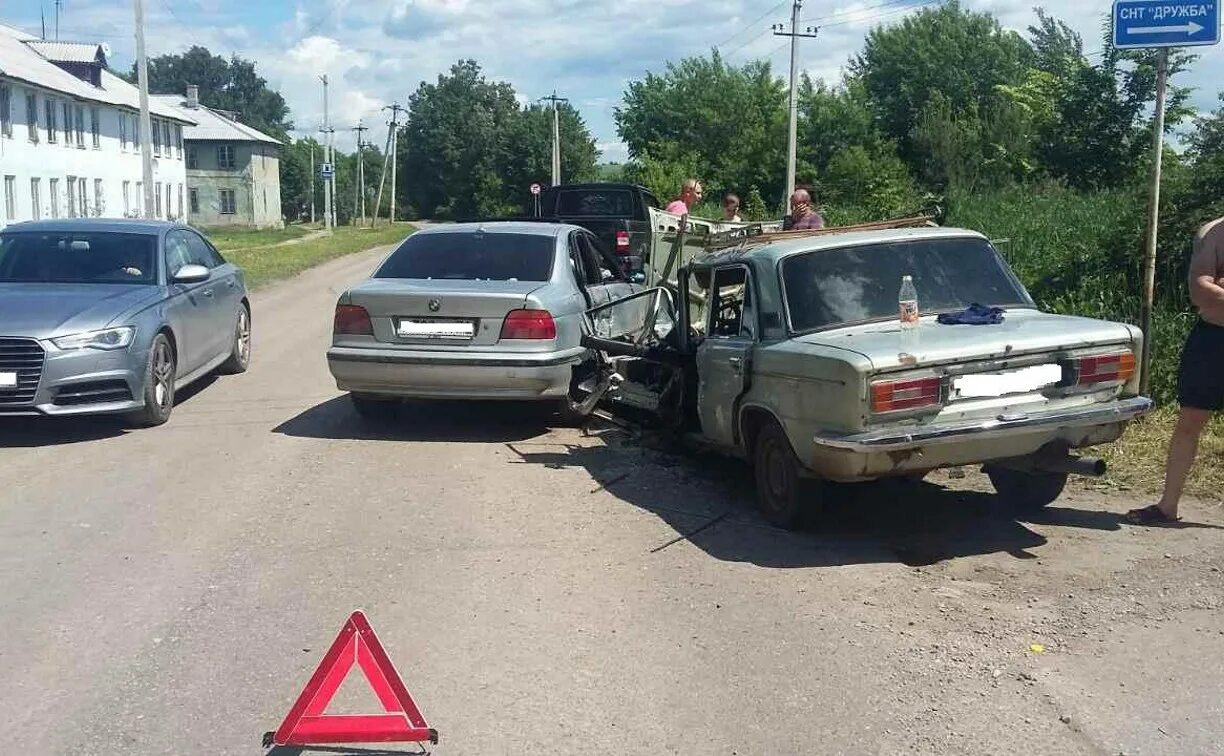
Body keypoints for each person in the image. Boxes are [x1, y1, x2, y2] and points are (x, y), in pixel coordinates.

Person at [1127, 216, 1224, 524]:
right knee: (1189, 422)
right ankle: (1168, 506)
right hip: (1212, 340)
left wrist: (1218, 288)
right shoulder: (1213, 233)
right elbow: (1199, 291)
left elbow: (1211, 288)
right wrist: (1211, 287)